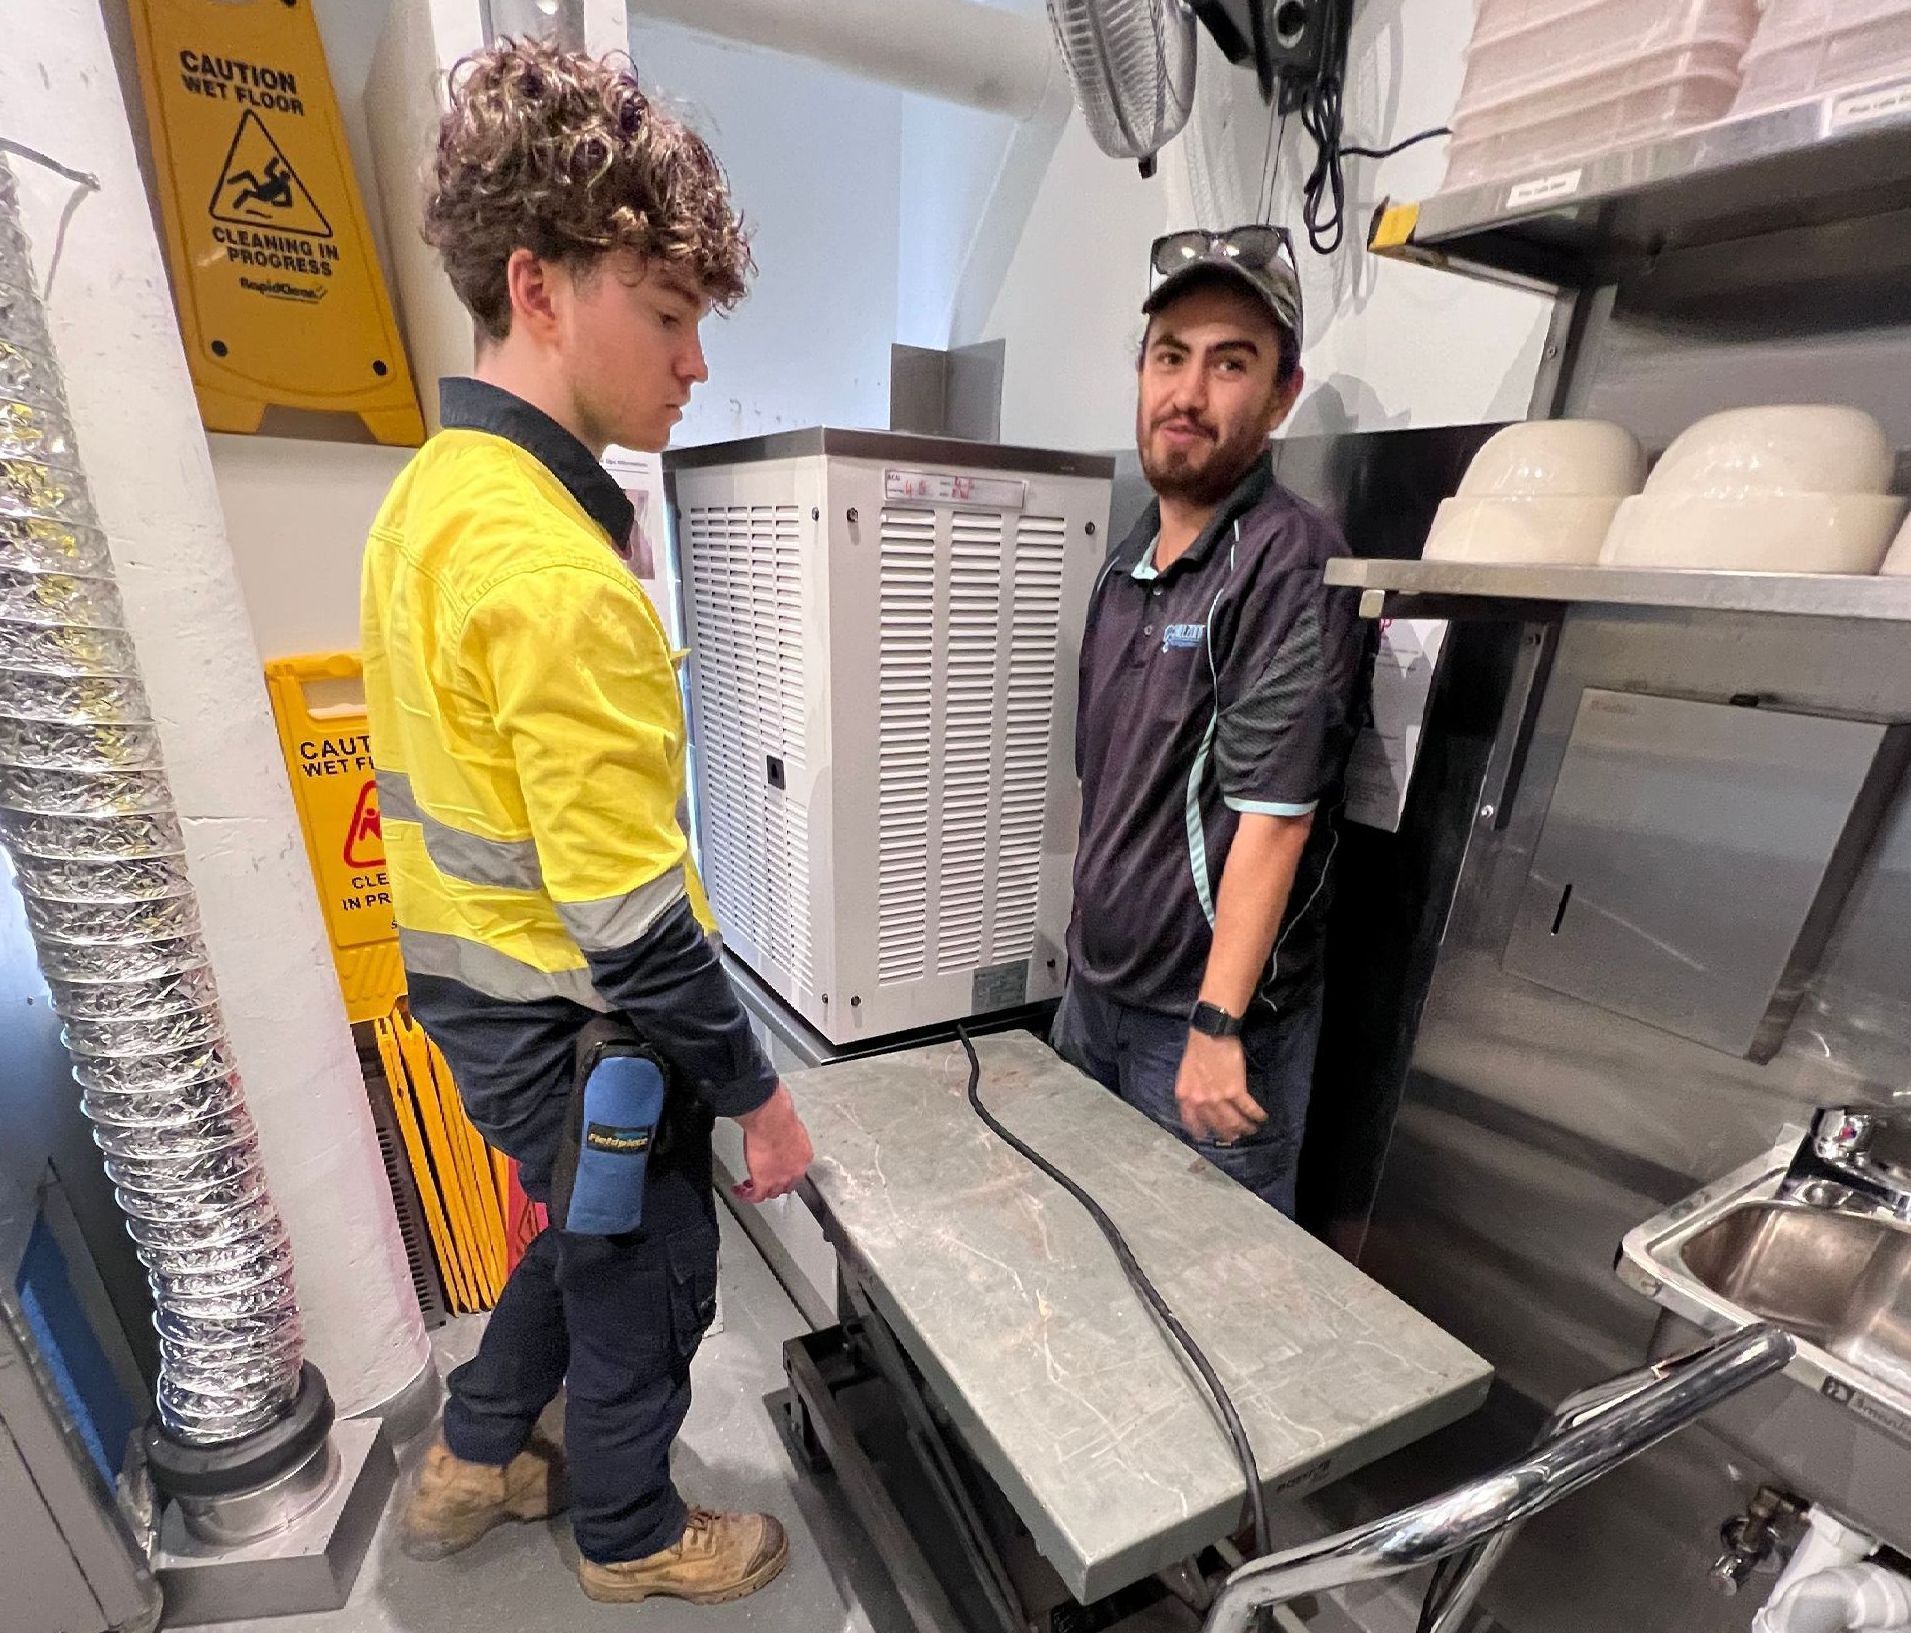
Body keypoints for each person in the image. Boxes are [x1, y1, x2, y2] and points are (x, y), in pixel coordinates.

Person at [360, 40, 812, 1607]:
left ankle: (476, 1450)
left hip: (474, 1002)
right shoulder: (555, 574)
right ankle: (626, 1533)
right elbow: (629, 920)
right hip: (574, 1014)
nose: (694, 364)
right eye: (670, 315)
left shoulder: (434, 494)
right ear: (541, 288)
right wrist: (756, 1098)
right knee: (649, 1278)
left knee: (572, 1225)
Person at [1050, 225, 1367, 1218]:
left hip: (1205, 1030)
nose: (1188, 392)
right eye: (1169, 357)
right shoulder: (1125, 564)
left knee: (1203, 1294)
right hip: (1096, 1000)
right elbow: (1111, 797)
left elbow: (1274, 816)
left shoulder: (1288, 561)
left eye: (1231, 363)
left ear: (1279, 396)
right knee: (1082, 1241)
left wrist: (1218, 1022)